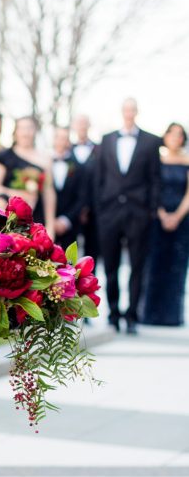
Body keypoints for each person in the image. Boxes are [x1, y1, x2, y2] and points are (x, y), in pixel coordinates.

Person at [95, 97, 161, 333]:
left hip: (139, 213)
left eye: (133, 109)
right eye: (126, 109)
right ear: (122, 112)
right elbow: (99, 178)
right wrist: (100, 209)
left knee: (137, 266)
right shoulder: (107, 139)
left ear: (137, 112)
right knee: (110, 266)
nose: (129, 113)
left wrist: (150, 210)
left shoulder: (151, 141)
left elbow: (155, 178)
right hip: (109, 213)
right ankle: (113, 314)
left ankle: (132, 316)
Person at [141, 122, 189, 326]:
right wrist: (161, 214)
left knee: (176, 265)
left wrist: (177, 216)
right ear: (165, 136)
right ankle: (150, 314)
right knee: (154, 264)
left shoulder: (187, 161)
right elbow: (152, 189)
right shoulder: (156, 161)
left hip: (182, 219)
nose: (176, 138)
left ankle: (172, 315)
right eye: (172, 134)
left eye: (180, 135)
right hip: (157, 218)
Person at [0, 116, 56, 234]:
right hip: (7, 216)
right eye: (22, 128)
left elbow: (49, 193)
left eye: (29, 128)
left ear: (35, 131)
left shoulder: (45, 159)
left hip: (35, 217)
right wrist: (20, 195)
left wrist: (50, 226)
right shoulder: (4, 156)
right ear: (15, 132)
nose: (26, 133)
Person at [71, 113, 99, 265]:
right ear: (74, 126)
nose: (82, 126)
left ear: (89, 126)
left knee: (91, 254)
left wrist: (88, 206)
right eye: (79, 123)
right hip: (71, 210)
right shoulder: (67, 150)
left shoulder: (99, 150)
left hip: (93, 210)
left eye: (84, 123)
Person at [51, 126, 85, 250]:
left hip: (70, 226)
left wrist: (65, 220)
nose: (61, 142)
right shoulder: (43, 163)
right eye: (58, 138)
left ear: (68, 142)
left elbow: (82, 198)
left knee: (68, 265)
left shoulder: (79, 167)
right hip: (45, 225)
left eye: (64, 139)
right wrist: (51, 220)